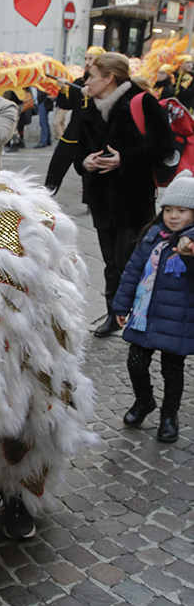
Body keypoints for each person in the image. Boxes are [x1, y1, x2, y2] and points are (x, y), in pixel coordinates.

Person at [75, 51, 174, 338]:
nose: (86, 80)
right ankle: (113, 314)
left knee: (128, 261)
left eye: (91, 75)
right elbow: (78, 149)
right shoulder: (89, 106)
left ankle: (133, 314)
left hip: (133, 197)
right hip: (102, 198)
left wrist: (125, 160)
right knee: (109, 262)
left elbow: (164, 146)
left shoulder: (140, 101)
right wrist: (85, 163)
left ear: (109, 78)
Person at [113, 170, 194, 443]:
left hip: (176, 320)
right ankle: (144, 400)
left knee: (172, 370)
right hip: (144, 316)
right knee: (136, 363)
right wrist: (121, 306)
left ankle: (169, 415)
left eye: (182, 210)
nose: (173, 216)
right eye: (168, 209)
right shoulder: (152, 237)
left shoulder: (190, 244)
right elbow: (132, 272)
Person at [45, 45, 104, 194]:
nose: (87, 62)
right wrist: (63, 89)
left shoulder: (103, 85)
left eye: (91, 58)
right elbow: (66, 104)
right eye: (86, 58)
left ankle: (91, 202)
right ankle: (47, 195)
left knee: (91, 173)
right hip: (73, 133)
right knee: (57, 166)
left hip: (93, 135)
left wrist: (92, 96)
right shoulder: (78, 82)